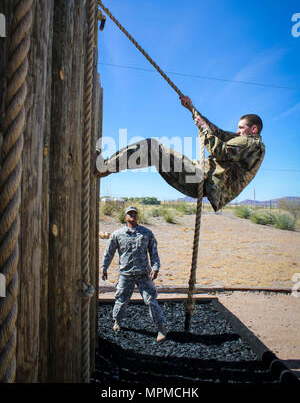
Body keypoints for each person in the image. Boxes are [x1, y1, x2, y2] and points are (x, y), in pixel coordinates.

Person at [96, 95, 265, 212]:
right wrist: (192, 109)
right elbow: (218, 132)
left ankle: (106, 167)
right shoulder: (245, 143)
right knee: (154, 153)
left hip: (202, 178)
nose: (238, 131)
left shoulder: (252, 143)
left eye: (241, 128)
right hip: (201, 179)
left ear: (253, 129)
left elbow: (219, 149)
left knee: (152, 147)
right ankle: (107, 166)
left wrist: (204, 128)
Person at [101, 206, 168, 342]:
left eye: (134, 213)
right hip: (125, 274)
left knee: (151, 300)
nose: (132, 215)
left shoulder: (147, 233)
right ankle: (117, 322)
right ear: (125, 217)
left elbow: (153, 252)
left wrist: (155, 268)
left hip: (144, 274)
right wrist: (104, 268)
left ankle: (161, 328)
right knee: (121, 300)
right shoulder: (117, 234)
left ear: (138, 216)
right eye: (129, 213)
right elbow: (109, 253)